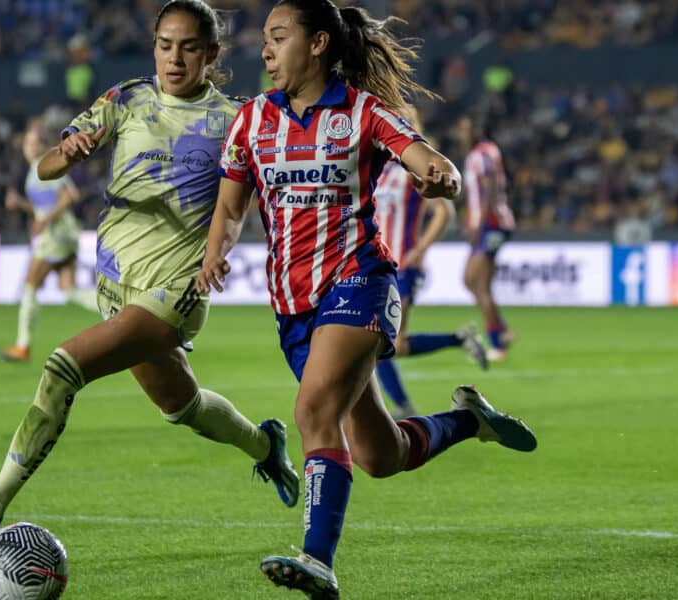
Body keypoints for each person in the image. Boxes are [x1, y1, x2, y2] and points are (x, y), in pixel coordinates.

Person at [197, 1, 537, 597]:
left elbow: (433, 164)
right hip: (293, 307)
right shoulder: (251, 120)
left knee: (311, 414)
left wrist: (441, 176)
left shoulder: (362, 113)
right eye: (265, 40)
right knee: (380, 454)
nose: (266, 50)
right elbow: (231, 205)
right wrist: (214, 250)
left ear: (320, 43)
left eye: (279, 37)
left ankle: (318, 561)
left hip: (361, 282)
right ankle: (468, 421)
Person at [0, 0, 299, 541]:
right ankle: (265, 445)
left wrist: (224, 246)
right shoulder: (126, 100)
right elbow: (46, 165)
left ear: (210, 54)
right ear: (154, 46)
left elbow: (242, 198)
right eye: (165, 45)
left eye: (189, 47)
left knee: (63, 368)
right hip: (115, 283)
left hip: (176, 288)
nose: (174, 58)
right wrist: (69, 153)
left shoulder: (235, 120)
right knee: (182, 406)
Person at [372, 105, 488, 419]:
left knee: (386, 343)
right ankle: (458, 339)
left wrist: (420, 249)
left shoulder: (412, 168)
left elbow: (444, 211)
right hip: (378, 263)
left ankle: (403, 407)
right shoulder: (379, 168)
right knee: (390, 343)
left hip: (404, 264)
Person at [0, 118, 99, 363]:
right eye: (27, 142)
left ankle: (23, 346)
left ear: (43, 145)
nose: (30, 147)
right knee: (69, 290)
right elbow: (43, 207)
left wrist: (45, 221)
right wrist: (22, 206)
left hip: (56, 234)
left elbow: (68, 197)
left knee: (30, 285)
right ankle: (120, 313)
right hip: (64, 233)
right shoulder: (34, 170)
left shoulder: (45, 166)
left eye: (34, 143)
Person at [458, 115, 516, 361]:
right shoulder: (478, 154)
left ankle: (497, 343)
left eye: (466, 128)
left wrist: (479, 223)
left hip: (492, 224)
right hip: (486, 224)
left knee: (479, 283)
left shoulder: (483, 153)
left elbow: (489, 188)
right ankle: (501, 331)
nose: (462, 133)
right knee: (471, 280)